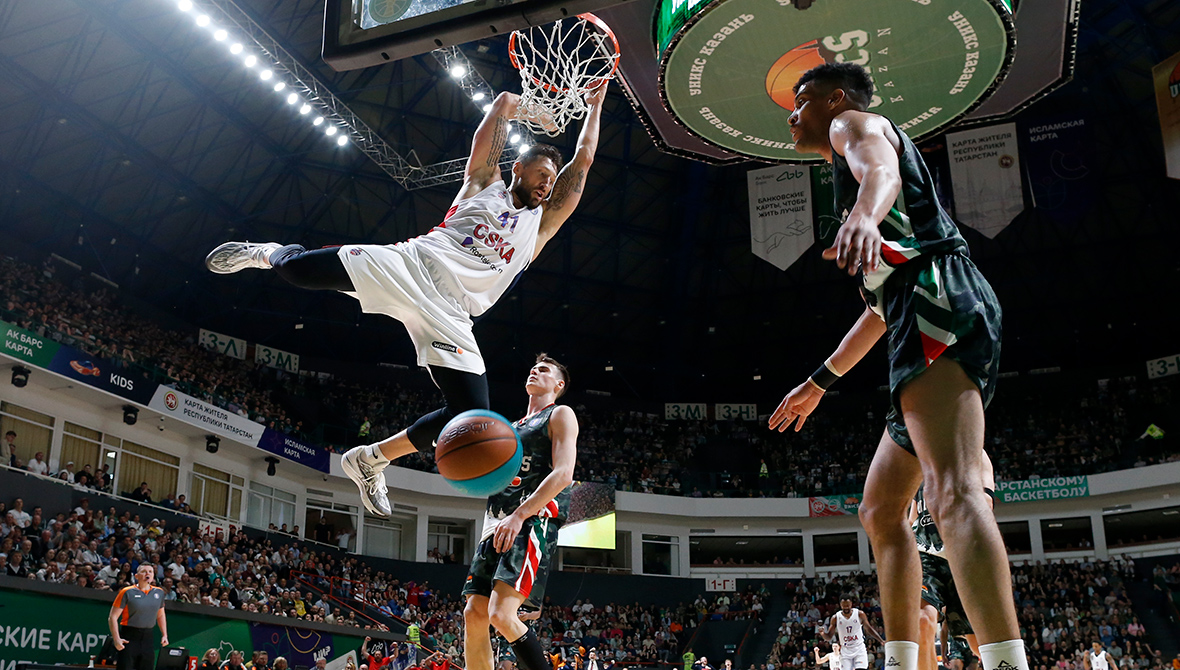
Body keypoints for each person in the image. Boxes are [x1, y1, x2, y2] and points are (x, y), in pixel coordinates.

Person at [204, 83, 606, 518]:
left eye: (552, 180)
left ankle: (369, 459)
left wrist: (596, 105)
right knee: (300, 271)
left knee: (472, 416)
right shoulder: (482, 182)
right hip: (410, 265)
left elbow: (582, 163)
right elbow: (504, 104)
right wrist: (533, 110)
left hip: (452, 313)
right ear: (518, 169)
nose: (549, 184)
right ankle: (262, 252)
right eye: (542, 173)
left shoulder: (540, 229)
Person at [767, 62, 1016, 670]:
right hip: (916, 307)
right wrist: (818, 382)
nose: (792, 115)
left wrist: (864, 214)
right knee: (880, 509)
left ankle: (1008, 662)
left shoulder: (852, 125)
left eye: (800, 102)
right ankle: (903, 663)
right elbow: (879, 310)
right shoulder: (844, 167)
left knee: (953, 491)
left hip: (938, 295)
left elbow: (879, 166)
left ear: (836, 99)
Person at [462, 355, 578, 670]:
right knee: (474, 614)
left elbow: (564, 473)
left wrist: (520, 515)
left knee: (501, 614)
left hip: (531, 520)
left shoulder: (560, 414)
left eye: (544, 370)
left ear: (559, 384)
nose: (534, 371)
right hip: (497, 523)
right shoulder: (510, 429)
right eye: (532, 368)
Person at [912, 451, 995, 670]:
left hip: (962, 556)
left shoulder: (968, 450)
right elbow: (913, 517)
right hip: (925, 554)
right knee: (921, 622)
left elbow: (986, 502)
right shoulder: (914, 462)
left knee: (979, 642)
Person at [109, 563, 169, 670]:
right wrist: (116, 639)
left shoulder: (159, 593)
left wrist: (164, 635)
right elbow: (112, 617)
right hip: (129, 636)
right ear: (136, 576)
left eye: (150, 572)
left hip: (148, 638)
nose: (148, 574)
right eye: (144, 571)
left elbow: (160, 615)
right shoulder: (127, 592)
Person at [823, 596, 883, 670]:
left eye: (847, 605)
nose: (846, 608)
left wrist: (880, 640)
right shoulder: (835, 618)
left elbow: (869, 629)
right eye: (843, 606)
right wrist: (823, 633)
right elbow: (828, 637)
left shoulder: (859, 614)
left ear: (851, 604)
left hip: (859, 648)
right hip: (845, 650)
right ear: (840, 605)